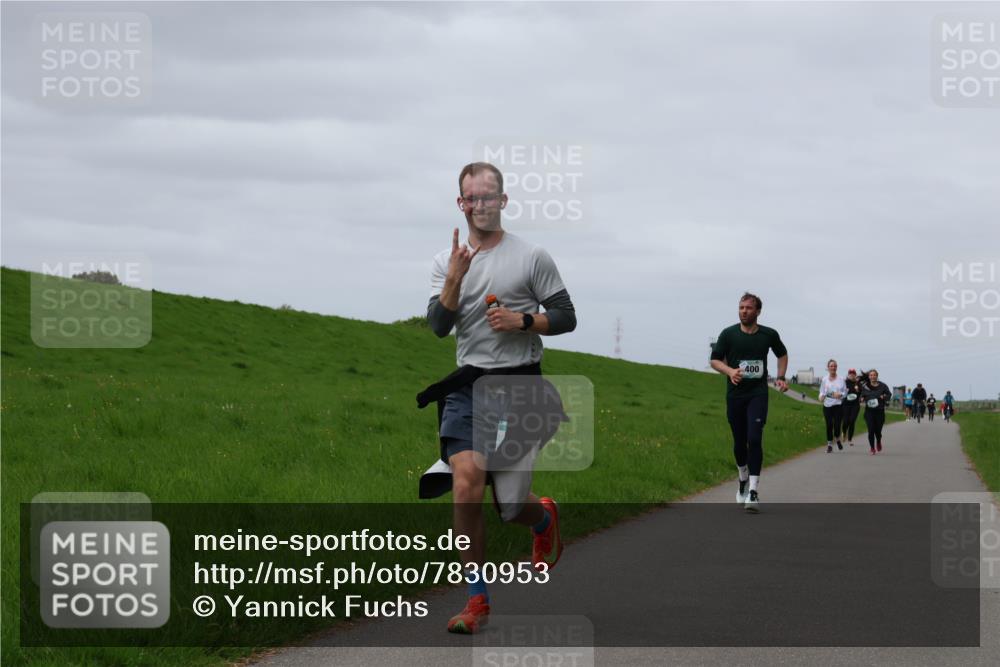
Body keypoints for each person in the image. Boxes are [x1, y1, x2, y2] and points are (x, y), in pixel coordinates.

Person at [420, 162, 577, 633]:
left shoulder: (531, 257)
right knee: (467, 483)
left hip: (520, 387)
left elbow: (567, 316)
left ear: (503, 201)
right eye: (472, 197)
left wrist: (523, 322)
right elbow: (437, 326)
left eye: (489, 197)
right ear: (461, 203)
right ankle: (476, 601)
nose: (481, 204)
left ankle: (542, 518)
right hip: (468, 388)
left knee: (511, 506)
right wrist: (454, 276)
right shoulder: (444, 262)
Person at [710, 292, 789, 513]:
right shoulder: (728, 334)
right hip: (735, 396)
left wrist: (781, 377)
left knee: (754, 438)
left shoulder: (768, 335)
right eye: (741, 307)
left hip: (758, 394)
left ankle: (753, 491)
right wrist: (729, 371)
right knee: (739, 442)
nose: (743, 311)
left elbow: (782, 354)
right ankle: (743, 476)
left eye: (748, 308)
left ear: (758, 311)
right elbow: (714, 359)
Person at [860, 369, 892, 454]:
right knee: (871, 430)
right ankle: (872, 448)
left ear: (877, 376)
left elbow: (889, 395)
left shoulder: (883, 386)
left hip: (879, 411)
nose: (873, 376)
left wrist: (884, 397)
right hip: (869, 412)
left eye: (874, 375)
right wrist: (862, 398)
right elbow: (861, 395)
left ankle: (878, 441)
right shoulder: (865, 386)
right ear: (869, 376)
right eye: (871, 375)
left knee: (878, 431)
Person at [819, 359, 846, 452]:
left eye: (834, 366)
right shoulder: (824, 379)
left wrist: (841, 395)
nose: (833, 367)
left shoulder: (841, 379)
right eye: (831, 366)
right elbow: (822, 392)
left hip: (838, 405)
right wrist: (821, 397)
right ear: (828, 368)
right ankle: (830, 445)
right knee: (829, 425)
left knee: (837, 425)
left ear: (836, 367)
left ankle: (837, 439)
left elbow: (845, 392)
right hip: (827, 406)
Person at [842, 368, 862, 446]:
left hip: (855, 405)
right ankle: (844, 432)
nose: (852, 375)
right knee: (845, 421)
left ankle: (850, 439)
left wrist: (858, 390)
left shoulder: (858, 383)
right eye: (850, 373)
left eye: (853, 374)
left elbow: (861, 393)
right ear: (848, 374)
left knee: (852, 421)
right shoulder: (844, 382)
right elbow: (840, 391)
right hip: (846, 404)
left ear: (855, 375)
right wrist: (844, 391)